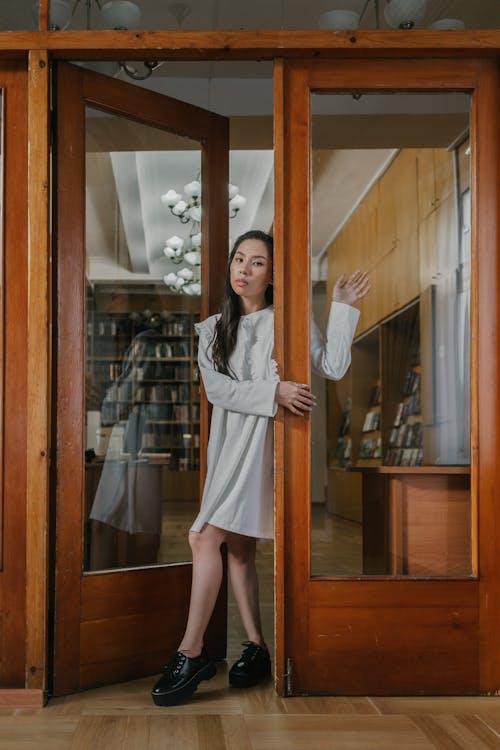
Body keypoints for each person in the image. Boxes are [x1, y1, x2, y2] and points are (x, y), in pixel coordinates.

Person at [152, 229, 370, 706]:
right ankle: (257, 647)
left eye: (256, 263)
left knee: (204, 536)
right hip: (230, 444)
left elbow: (331, 366)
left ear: (271, 275)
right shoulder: (212, 329)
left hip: (266, 446)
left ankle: (191, 653)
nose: (243, 270)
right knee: (237, 550)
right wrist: (273, 391)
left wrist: (341, 306)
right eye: (239, 260)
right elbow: (217, 392)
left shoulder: (288, 321)